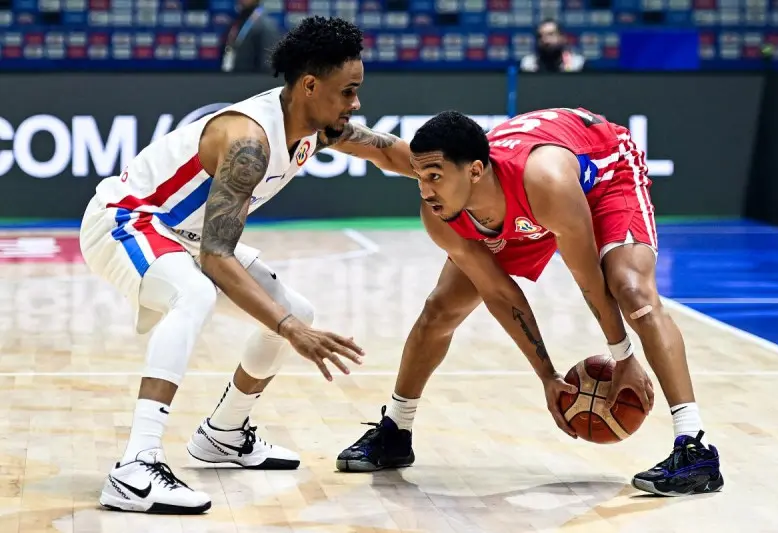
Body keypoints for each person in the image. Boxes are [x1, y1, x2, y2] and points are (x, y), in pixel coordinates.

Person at [80, 16, 409, 515]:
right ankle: (134, 467)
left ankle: (223, 433)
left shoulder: (314, 129)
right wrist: (289, 329)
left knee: (295, 310)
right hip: (129, 219)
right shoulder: (249, 141)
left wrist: (462, 171)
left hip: (186, 236)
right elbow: (216, 257)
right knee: (199, 296)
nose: (356, 103)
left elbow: (390, 154)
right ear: (310, 86)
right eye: (348, 91)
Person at [336, 108, 724, 497]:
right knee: (440, 309)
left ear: (474, 171)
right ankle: (396, 430)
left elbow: (588, 279)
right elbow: (500, 294)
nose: (424, 191)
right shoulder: (439, 211)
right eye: (419, 177)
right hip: (521, 209)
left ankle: (695, 447)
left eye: (434, 177)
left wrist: (623, 356)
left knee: (631, 290)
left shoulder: (545, 181)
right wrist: (547, 375)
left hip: (603, 177)